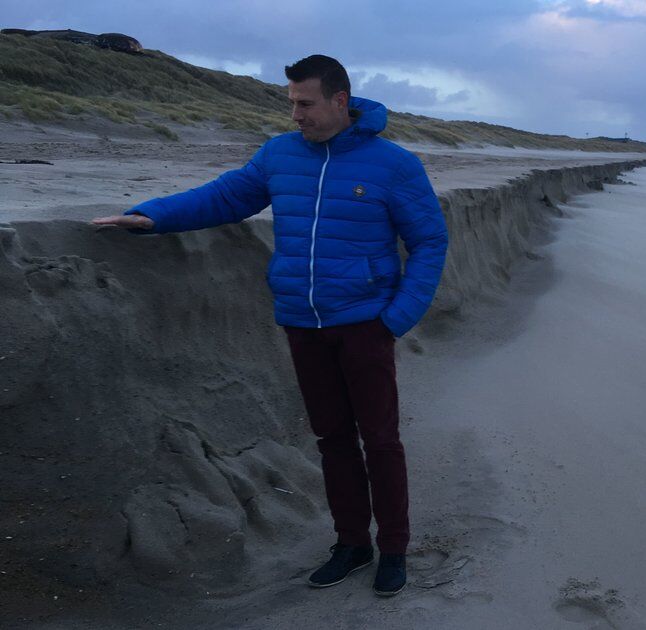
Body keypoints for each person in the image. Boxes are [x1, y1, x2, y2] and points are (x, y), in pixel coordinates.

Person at [91, 54, 448, 597]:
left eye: (305, 104)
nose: (296, 115)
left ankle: (394, 548)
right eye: (291, 104)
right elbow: (226, 196)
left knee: (380, 440)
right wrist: (154, 214)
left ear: (340, 101)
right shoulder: (279, 154)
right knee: (332, 440)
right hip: (302, 322)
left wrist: (395, 319)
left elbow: (429, 242)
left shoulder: (394, 165)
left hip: (365, 325)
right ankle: (352, 543)